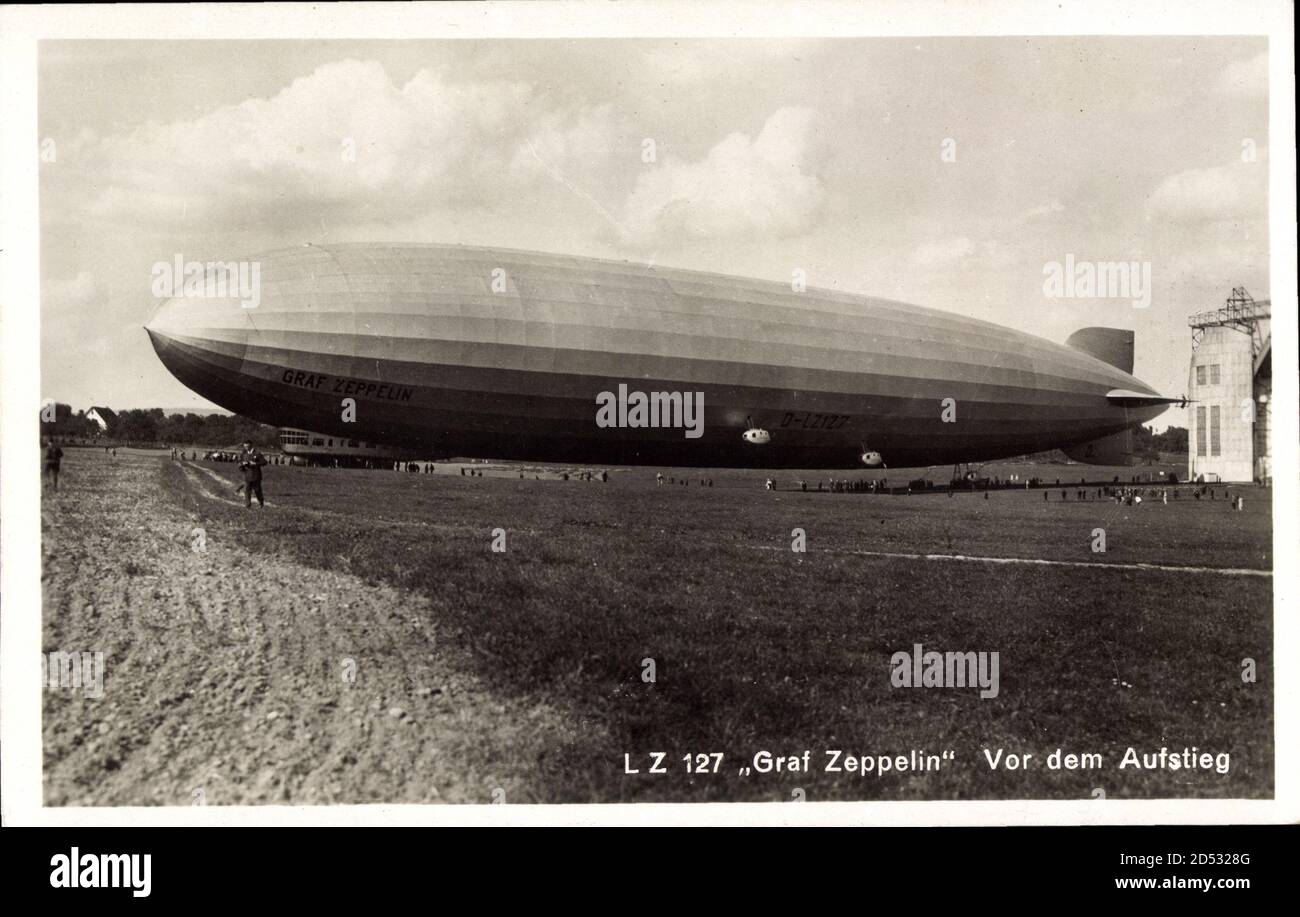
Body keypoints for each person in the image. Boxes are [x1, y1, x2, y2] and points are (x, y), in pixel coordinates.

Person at [238, 441, 268, 508]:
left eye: (247, 446)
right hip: (247, 474)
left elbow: (264, 462)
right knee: (247, 490)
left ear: (251, 445)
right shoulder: (243, 454)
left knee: (257, 490)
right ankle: (248, 505)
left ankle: (261, 502)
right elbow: (240, 462)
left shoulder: (257, 453)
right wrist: (242, 465)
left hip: (256, 475)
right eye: (245, 446)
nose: (246, 448)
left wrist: (255, 463)